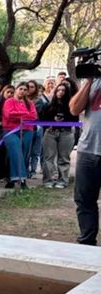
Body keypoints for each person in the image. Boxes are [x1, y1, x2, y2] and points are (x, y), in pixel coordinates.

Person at [69, 76, 101, 246]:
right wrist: (88, 81)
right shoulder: (93, 81)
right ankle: (87, 241)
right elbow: (74, 109)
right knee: (84, 199)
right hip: (88, 149)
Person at [41, 80, 78, 189]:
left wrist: (63, 120)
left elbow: (75, 119)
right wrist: (53, 120)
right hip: (51, 132)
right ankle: (48, 180)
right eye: (59, 90)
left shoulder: (71, 106)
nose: (61, 92)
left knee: (64, 158)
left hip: (66, 132)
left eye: (63, 90)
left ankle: (63, 180)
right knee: (49, 157)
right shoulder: (49, 105)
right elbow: (42, 119)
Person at [2, 81, 38, 189]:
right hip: (10, 131)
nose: (22, 91)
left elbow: (34, 116)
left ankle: (16, 179)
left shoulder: (30, 103)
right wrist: (24, 115)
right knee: (15, 151)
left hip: (27, 130)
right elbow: (8, 115)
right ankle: (20, 178)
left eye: (25, 90)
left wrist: (18, 115)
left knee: (25, 154)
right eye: (20, 89)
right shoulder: (9, 102)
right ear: (16, 89)